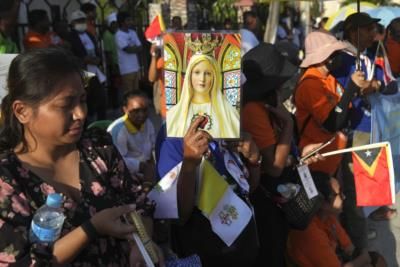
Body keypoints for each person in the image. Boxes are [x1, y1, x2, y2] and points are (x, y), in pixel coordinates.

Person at [0, 48, 161, 266]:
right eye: (65, 105)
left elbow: (138, 204)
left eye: (82, 100)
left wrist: (141, 244)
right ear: (22, 111)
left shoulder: (98, 148)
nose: (81, 114)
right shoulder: (7, 181)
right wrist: (92, 228)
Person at [156, 115, 260, 266]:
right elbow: (178, 215)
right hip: (206, 250)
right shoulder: (173, 133)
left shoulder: (228, 123)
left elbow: (248, 189)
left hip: (245, 244)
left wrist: (254, 160)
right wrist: (189, 163)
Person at [295, 31, 367, 176]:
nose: (338, 57)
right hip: (317, 165)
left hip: (332, 161)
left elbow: (344, 112)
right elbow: (332, 123)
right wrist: (351, 88)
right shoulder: (311, 85)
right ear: (322, 58)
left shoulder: (328, 78)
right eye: (334, 53)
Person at [287, 172, 374, 267]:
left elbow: (349, 248)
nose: (344, 197)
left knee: (373, 261)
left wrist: (363, 258)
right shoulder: (311, 233)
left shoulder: (328, 216)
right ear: (323, 202)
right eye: (339, 194)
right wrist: (362, 259)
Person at [166, 54, 240, 139]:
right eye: (197, 72)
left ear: (214, 77)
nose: (202, 79)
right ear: (189, 76)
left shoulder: (228, 112)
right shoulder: (174, 114)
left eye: (208, 73)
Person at [107, 91, 156, 183]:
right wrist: (144, 168)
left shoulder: (148, 123)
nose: (141, 115)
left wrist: (152, 169)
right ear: (125, 110)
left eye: (145, 110)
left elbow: (152, 151)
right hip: (127, 174)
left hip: (145, 170)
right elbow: (119, 161)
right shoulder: (120, 130)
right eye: (136, 111)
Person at [68, 10, 107, 121]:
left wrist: (97, 58)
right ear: (72, 23)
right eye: (78, 21)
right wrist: (84, 60)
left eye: (82, 20)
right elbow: (72, 54)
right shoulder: (71, 37)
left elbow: (96, 49)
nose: (81, 23)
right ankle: (86, 123)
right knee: (85, 97)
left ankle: (102, 121)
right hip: (83, 71)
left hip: (95, 69)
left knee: (100, 97)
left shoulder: (89, 34)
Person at [115, 11, 142, 94]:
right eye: (128, 20)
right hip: (126, 69)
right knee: (129, 93)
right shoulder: (118, 35)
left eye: (131, 20)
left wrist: (133, 48)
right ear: (122, 22)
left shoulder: (133, 32)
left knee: (136, 91)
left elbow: (140, 47)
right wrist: (134, 48)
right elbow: (127, 50)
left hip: (136, 67)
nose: (131, 22)